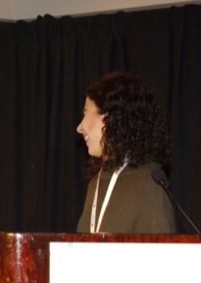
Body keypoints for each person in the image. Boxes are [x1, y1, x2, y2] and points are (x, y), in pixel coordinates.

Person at [75, 71, 177, 233]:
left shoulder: (149, 186)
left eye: (86, 113)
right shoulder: (96, 182)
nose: (80, 127)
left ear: (108, 117)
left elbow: (161, 256)